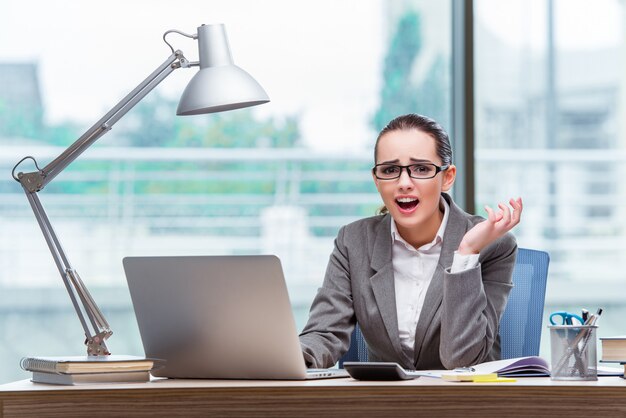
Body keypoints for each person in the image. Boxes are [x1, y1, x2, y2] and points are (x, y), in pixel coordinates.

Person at [299, 113, 522, 370]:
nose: (404, 183)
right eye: (390, 170)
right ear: (376, 179)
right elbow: (325, 333)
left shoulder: (494, 245)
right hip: (384, 405)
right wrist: (287, 356)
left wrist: (466, 254)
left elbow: (462, 360)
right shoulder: (353, 242)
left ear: (447, 177)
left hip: (462, 405)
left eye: (421, 169)